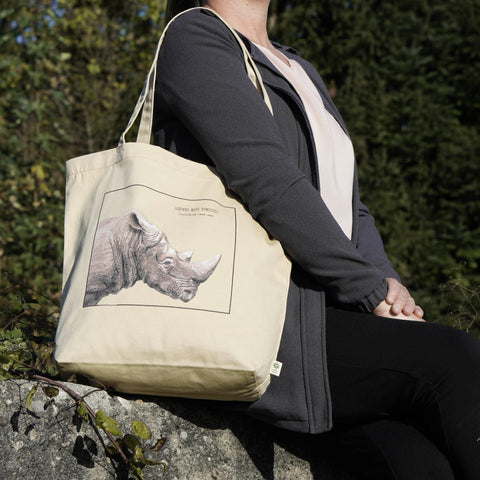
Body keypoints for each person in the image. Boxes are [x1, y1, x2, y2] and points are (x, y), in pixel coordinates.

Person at [153, 1, 480, 478]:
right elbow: (268, 181)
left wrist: (387, 285)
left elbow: (349, 205)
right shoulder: (196, 38)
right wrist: (364, 286)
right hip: (268, 321)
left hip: (328, 317)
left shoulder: (297, 67)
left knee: (418, 462)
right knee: (453, 357)